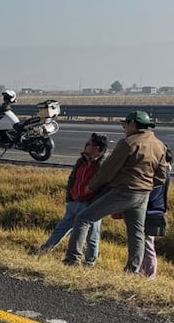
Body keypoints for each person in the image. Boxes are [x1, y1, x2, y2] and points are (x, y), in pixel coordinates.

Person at [64, 111, 170, 272]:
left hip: (123, 191)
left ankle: (72, 260)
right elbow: (161, 177)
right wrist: (146, 185)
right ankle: (132, 270)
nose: (125, 128)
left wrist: (91, 186)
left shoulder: (129, 143)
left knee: (83, 218)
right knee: (137, 233)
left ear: (133, 124)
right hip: (143, 194)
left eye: (125, 125)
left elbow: (108, 168)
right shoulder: (159, 144)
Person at [33, 133, 108, 264]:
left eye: (89, 144)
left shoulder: (104, 165)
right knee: (61, 229)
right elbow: (72, 179)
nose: (86, 146)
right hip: (75, 202)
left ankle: (90, 262)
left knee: (92, 236)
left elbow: (105, 187)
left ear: (97, 148)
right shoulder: (82, 161)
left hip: (90, 206)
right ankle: (44, 251)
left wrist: (95, 204)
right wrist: (70, 198)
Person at [139, 148, 171, 280]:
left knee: (147, 245)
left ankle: (149, 276)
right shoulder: (165, 172)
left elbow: (152, 195)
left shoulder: (160, 174)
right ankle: (145, 272)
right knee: (146, 244)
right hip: (156, 211)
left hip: (151, 211)